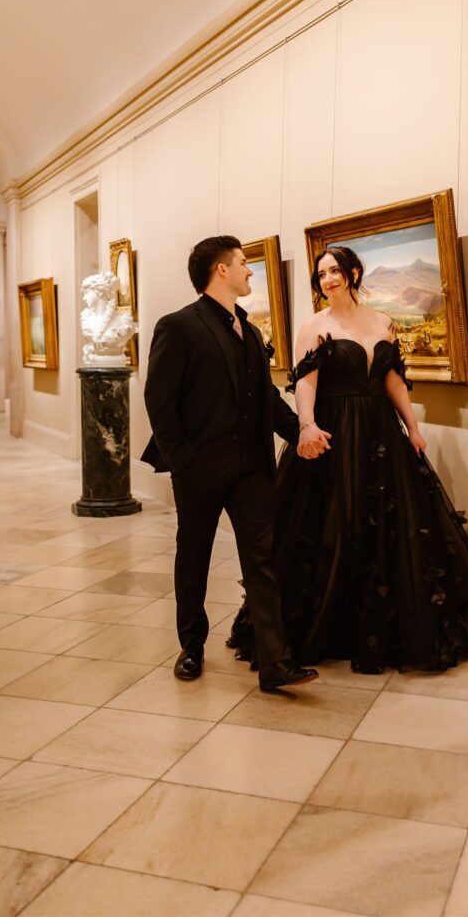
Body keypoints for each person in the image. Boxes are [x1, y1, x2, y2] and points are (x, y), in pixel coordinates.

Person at [228, 245, 468, 674]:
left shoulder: (382, 322)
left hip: (381, 431)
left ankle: (381, 631)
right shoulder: (315, 326)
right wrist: (306, 426)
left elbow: (393, 381)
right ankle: (327, 629)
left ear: (353, 273)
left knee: (384, 527)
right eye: (321, 274)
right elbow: (306, 383)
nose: (328, 279)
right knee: (334, 522)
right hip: (335, 431)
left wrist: (413, 428)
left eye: (334, 270)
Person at [142, 235, 328, 690]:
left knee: (261, 560)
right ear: (220, 270)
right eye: (244, 263)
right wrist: (184, 461)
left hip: (251, 468)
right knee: (194, 558)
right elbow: (158, 400)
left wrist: (301, 430)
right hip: (200, 468)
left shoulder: (250, 330)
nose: (250, 271)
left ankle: (274, 663)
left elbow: (263, 397)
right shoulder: (178, 325)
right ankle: (192, 646)